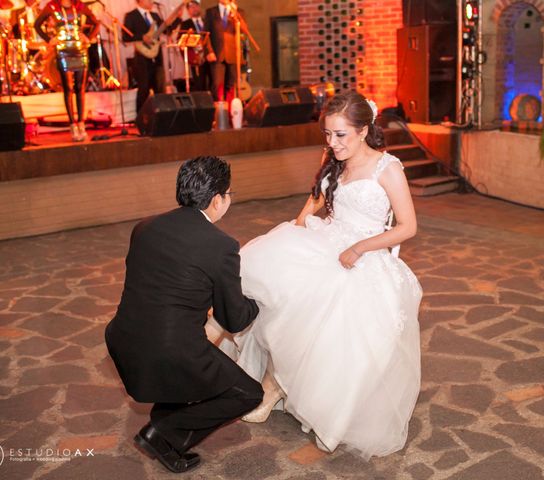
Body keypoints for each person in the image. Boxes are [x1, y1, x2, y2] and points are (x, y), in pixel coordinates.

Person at [235, 91, 422, 459]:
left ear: (364, 130)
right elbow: (317, 198)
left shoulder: (389, 168)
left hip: (363, 254)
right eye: (327, 134)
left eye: (340, 135)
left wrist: (359, 248)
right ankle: (273, 384)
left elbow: (407, 227)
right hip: (327, 240)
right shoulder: (335, 158)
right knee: (276, 283)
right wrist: (301, 223)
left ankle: (282, 389)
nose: (331, 143)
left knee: (324, 303)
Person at [105, 156, 263, 474]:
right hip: (168, 350)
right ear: (218, 199)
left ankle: (164, 422)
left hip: (122, 338)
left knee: (189, 375)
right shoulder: (221, 245)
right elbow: (235, 319)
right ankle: (162, 435)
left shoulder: (145, 227)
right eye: (229, 194)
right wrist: (258, 303)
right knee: (248, 393)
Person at [34, 0, 99, 141]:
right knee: (68, 88)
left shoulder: (80, 6)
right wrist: (49, 39)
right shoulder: (52, 6)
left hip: (80, 50)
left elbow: (96, 23)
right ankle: (72, 125)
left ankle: (81, 123)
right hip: (63, 50)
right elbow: (37, 25)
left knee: (80, 88)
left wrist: (88, 37)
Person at [123, 0, 183, 112]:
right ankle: (141, 117)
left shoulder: (155, 15)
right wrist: (141, 37)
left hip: (157, 56)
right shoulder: (131, 16)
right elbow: (125, 37)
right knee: (144, 88)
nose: (151, 1)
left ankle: (161, 115)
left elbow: (166, 31)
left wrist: (178, 18)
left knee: (160, 87)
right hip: (142, 57)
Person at [203, 0, 248, 103]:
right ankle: (219, 113)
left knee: (232, 86)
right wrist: (209, 51)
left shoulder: (238, 12)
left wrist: (235, 14)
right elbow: (205, 34)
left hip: (233, 54)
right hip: (217, 54)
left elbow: (244, 30)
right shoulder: (210, 12)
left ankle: (232, 112)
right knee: (217, 85)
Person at [180, 0, 216, 92]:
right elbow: (181, 42)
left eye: (196, 6)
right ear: (188, 10)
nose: (194, 9)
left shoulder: (206, 21)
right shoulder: (185, 24)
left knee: (214, 81)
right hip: (197, 59)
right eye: (191, 7)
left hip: (210, 56)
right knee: (200, 84)